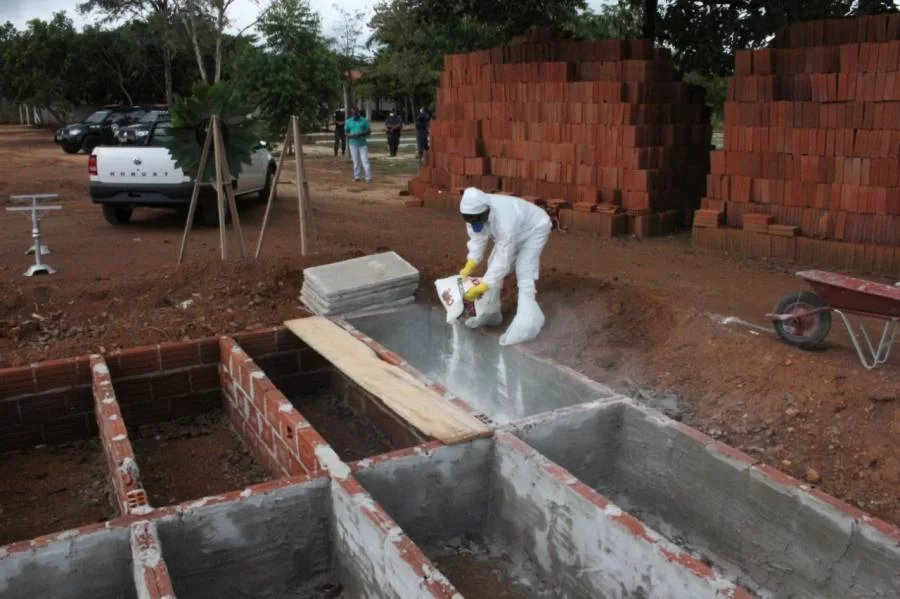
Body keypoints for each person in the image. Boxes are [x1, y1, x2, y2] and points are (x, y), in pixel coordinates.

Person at [458, 187, 553, 346]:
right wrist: (471, 262)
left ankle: (527, 323)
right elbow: (478, 237)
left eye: (476, 219)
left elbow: (504, 258)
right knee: (491, 263)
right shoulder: (473, 212)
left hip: (535, 227)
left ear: (486, 212)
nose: (473, 223)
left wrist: (483, 285)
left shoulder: (504, 221)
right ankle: (491, 311)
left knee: (524, 268)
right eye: (469, 220)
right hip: (515, 228)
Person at [344, 107, 372, 183]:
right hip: (353, 144)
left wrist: (361, 134)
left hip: (362, 144)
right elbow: (346, 132)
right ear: (351, 114)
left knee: (365, 160)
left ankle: (368, 177)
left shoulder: (364, 120)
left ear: (358, 113)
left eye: (356, 114)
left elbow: (369, 131)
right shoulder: (348, 121)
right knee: (356, 161)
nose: (355, 116)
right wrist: (350, 135)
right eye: (353, 114)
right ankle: (357, 176)